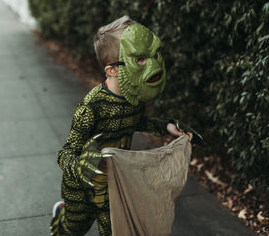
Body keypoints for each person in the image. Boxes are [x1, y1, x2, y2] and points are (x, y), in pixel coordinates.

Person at [50, 16, 193, 236]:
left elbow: (137, 122)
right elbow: (65, 153)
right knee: (71, 230)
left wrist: (166, 127)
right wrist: (80, 167)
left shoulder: (132, 96)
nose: (151, 64)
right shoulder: (91, 107)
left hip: (114, 183)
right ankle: (61, 214)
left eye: (151, 56)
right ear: (112, 70)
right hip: (82, 188)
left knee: (115, 230)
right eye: (139, 60)